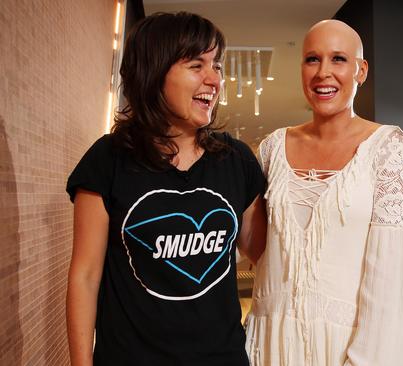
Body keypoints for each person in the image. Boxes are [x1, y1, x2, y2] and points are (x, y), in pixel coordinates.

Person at [65, 12, 266, 366]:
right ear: (155, 72)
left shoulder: (235, 161)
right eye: (196, 65)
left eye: (216, 65)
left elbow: (266, 252)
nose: (214, 79)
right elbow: (85, 276)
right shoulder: (108, 160)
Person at [244, 19, 403, 366]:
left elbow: (393, 283)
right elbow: (260, 249)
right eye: (312, 59)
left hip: (350, 348)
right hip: (269, 345)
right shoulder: (271, 148)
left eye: (338, 59)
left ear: (361, 70)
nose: (323, 72)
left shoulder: (388, 148)